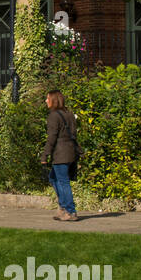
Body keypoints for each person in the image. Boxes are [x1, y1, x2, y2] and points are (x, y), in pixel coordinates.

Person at [40, 90, 80, 221]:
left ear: (54, 100)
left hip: (60, 154)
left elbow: (52, 137)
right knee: (54, 178)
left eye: (47, 98)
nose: (46, 101)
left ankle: (69, 210)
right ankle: (63, 207)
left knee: (63, 182)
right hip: (70, 152)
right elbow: (73, 133)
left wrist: (45, 155)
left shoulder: (53, 116)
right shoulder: (68, 113)